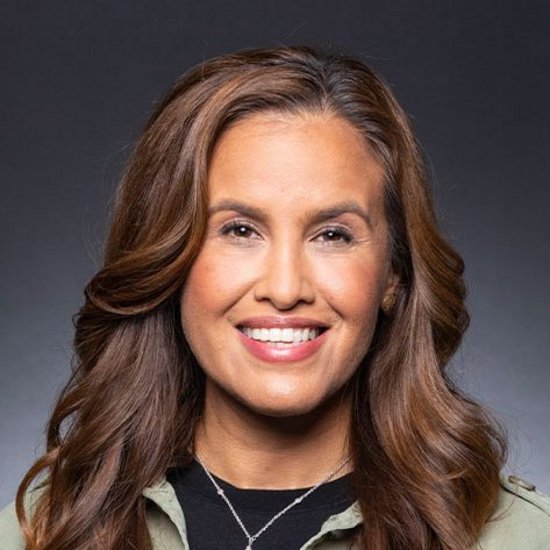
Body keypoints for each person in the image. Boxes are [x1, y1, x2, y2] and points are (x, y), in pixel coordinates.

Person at [1, 45, 549, 550]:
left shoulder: (521, 537)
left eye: (332, 235)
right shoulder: (50, 529)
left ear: (394, 275)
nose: (285, 290)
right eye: (240, 230)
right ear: (170, 260)